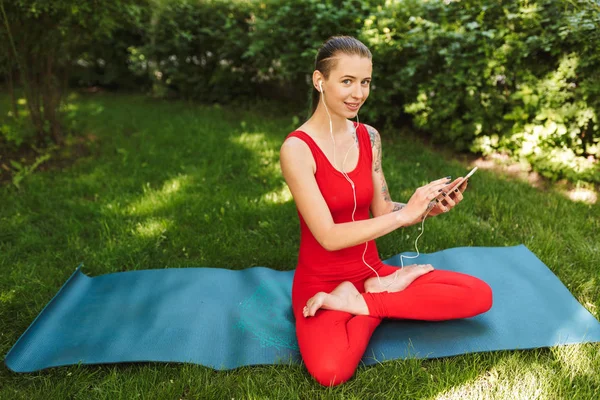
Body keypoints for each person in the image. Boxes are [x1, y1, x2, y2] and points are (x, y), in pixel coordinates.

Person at [279, 36, 492, 387]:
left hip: (372, 271)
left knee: (479, 294)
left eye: (365, 82)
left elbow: (382, 208)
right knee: (331, 372)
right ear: (320, 81)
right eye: (346, 81)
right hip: (320, 282)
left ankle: (366, 300)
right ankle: (373, 298)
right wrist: (403, 216)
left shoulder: (370, 137)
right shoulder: (297, 149)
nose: (358, 93)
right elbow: (329, 236)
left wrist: (424, 209)